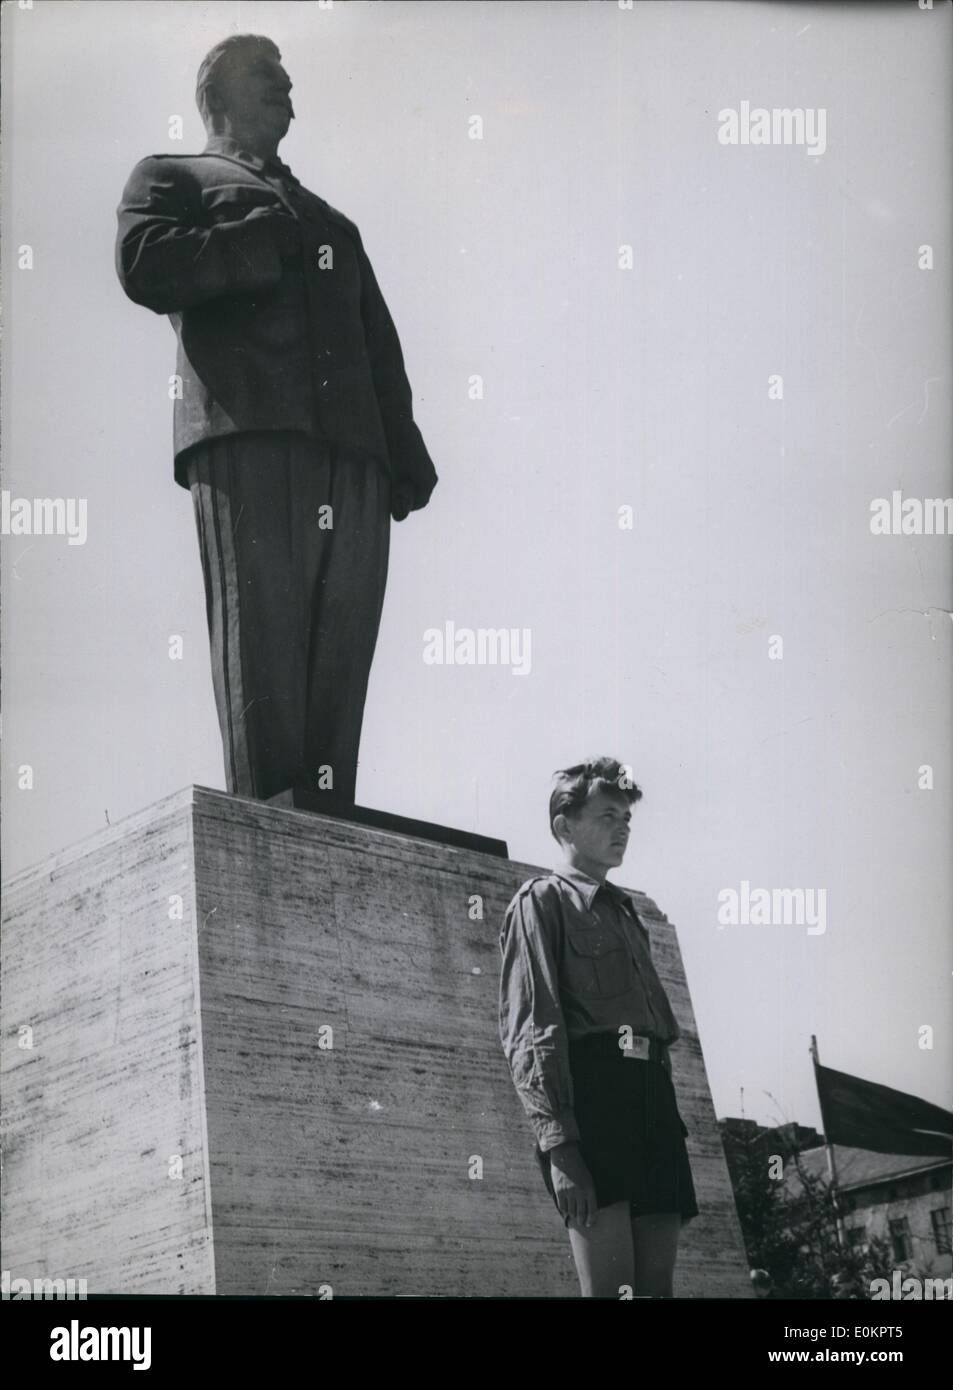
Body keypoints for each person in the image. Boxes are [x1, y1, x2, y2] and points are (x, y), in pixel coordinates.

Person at [115, 34, 437, 804]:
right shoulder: (172, 175)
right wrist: (259, 244)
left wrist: (403, 448)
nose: (288, 94)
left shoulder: (332, 221)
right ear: (218, 92)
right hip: (246, 429)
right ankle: (268, 815)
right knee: (261, 629)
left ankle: (327, 812)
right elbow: (144, 264)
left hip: (352, 450)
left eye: (291, 84)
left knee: (341, 636)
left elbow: (378, 344)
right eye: (270, 79)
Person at [498, 757, 698, 1297]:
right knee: (611, 1291)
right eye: (609, 816)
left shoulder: (625, 912)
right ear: (565, 825)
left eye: (627, 819)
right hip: (595, 1101)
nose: (623, 828)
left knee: (656, 1291)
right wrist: (559, 1146)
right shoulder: (540, 903)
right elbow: (530, 1030)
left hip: (652, 1101)